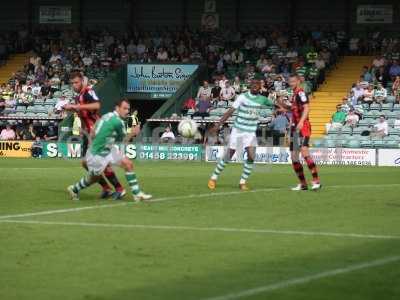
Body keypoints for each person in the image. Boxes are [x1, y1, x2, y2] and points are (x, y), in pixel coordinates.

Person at [67, 99, 152, 201]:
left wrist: (93, 139)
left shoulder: (108, 115)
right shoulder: (118, 122)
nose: (127, 111)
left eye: (128, 109)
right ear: (117, 108)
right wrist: (133, 133)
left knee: (128, 164)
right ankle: (74, 189)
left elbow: (94, 128)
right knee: (94, 179)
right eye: (124, 108)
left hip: (108, 149)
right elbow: (124, 141)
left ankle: (137, 193)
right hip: (97, 154)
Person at [64, 72, 125, 200]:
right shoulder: (79, 97)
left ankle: (119, 189)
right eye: (72, 83)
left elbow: (97, 105)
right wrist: (71, 108)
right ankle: (107, 188)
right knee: (87, 164)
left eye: (76, 82)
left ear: (82, 81)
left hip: (98, 132)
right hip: (90, 133)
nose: (74, 85)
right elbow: (83, 111)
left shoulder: (88, 91)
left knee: (100, 162)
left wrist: (76, 106)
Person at [208, 80, 273, 191]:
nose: (255, 87)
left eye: (257, 85)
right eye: (253, 85)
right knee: (229, 155)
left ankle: (242, 182)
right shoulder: (242, 97)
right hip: (238, 130)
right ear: (250, 86)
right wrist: (218, 125)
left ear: (260, 87)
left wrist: (285, 107)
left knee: (252, 156)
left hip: (250, 132)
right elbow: (230, 112)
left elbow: (274, 104)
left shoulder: (263, 99)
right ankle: (213, 178)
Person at [277, 74, 321, 191]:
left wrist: (301, 122)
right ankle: (303, 184)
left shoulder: (301, 93)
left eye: (293, 81)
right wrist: (282, 104)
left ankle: (316, 181)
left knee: (304, 151)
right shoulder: (294, 95)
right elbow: (293, 109)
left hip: (303, 127)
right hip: (294, 128)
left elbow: (307, 108)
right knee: (294, 157)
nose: (291, 83)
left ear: (298, 82)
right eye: (289, 82)